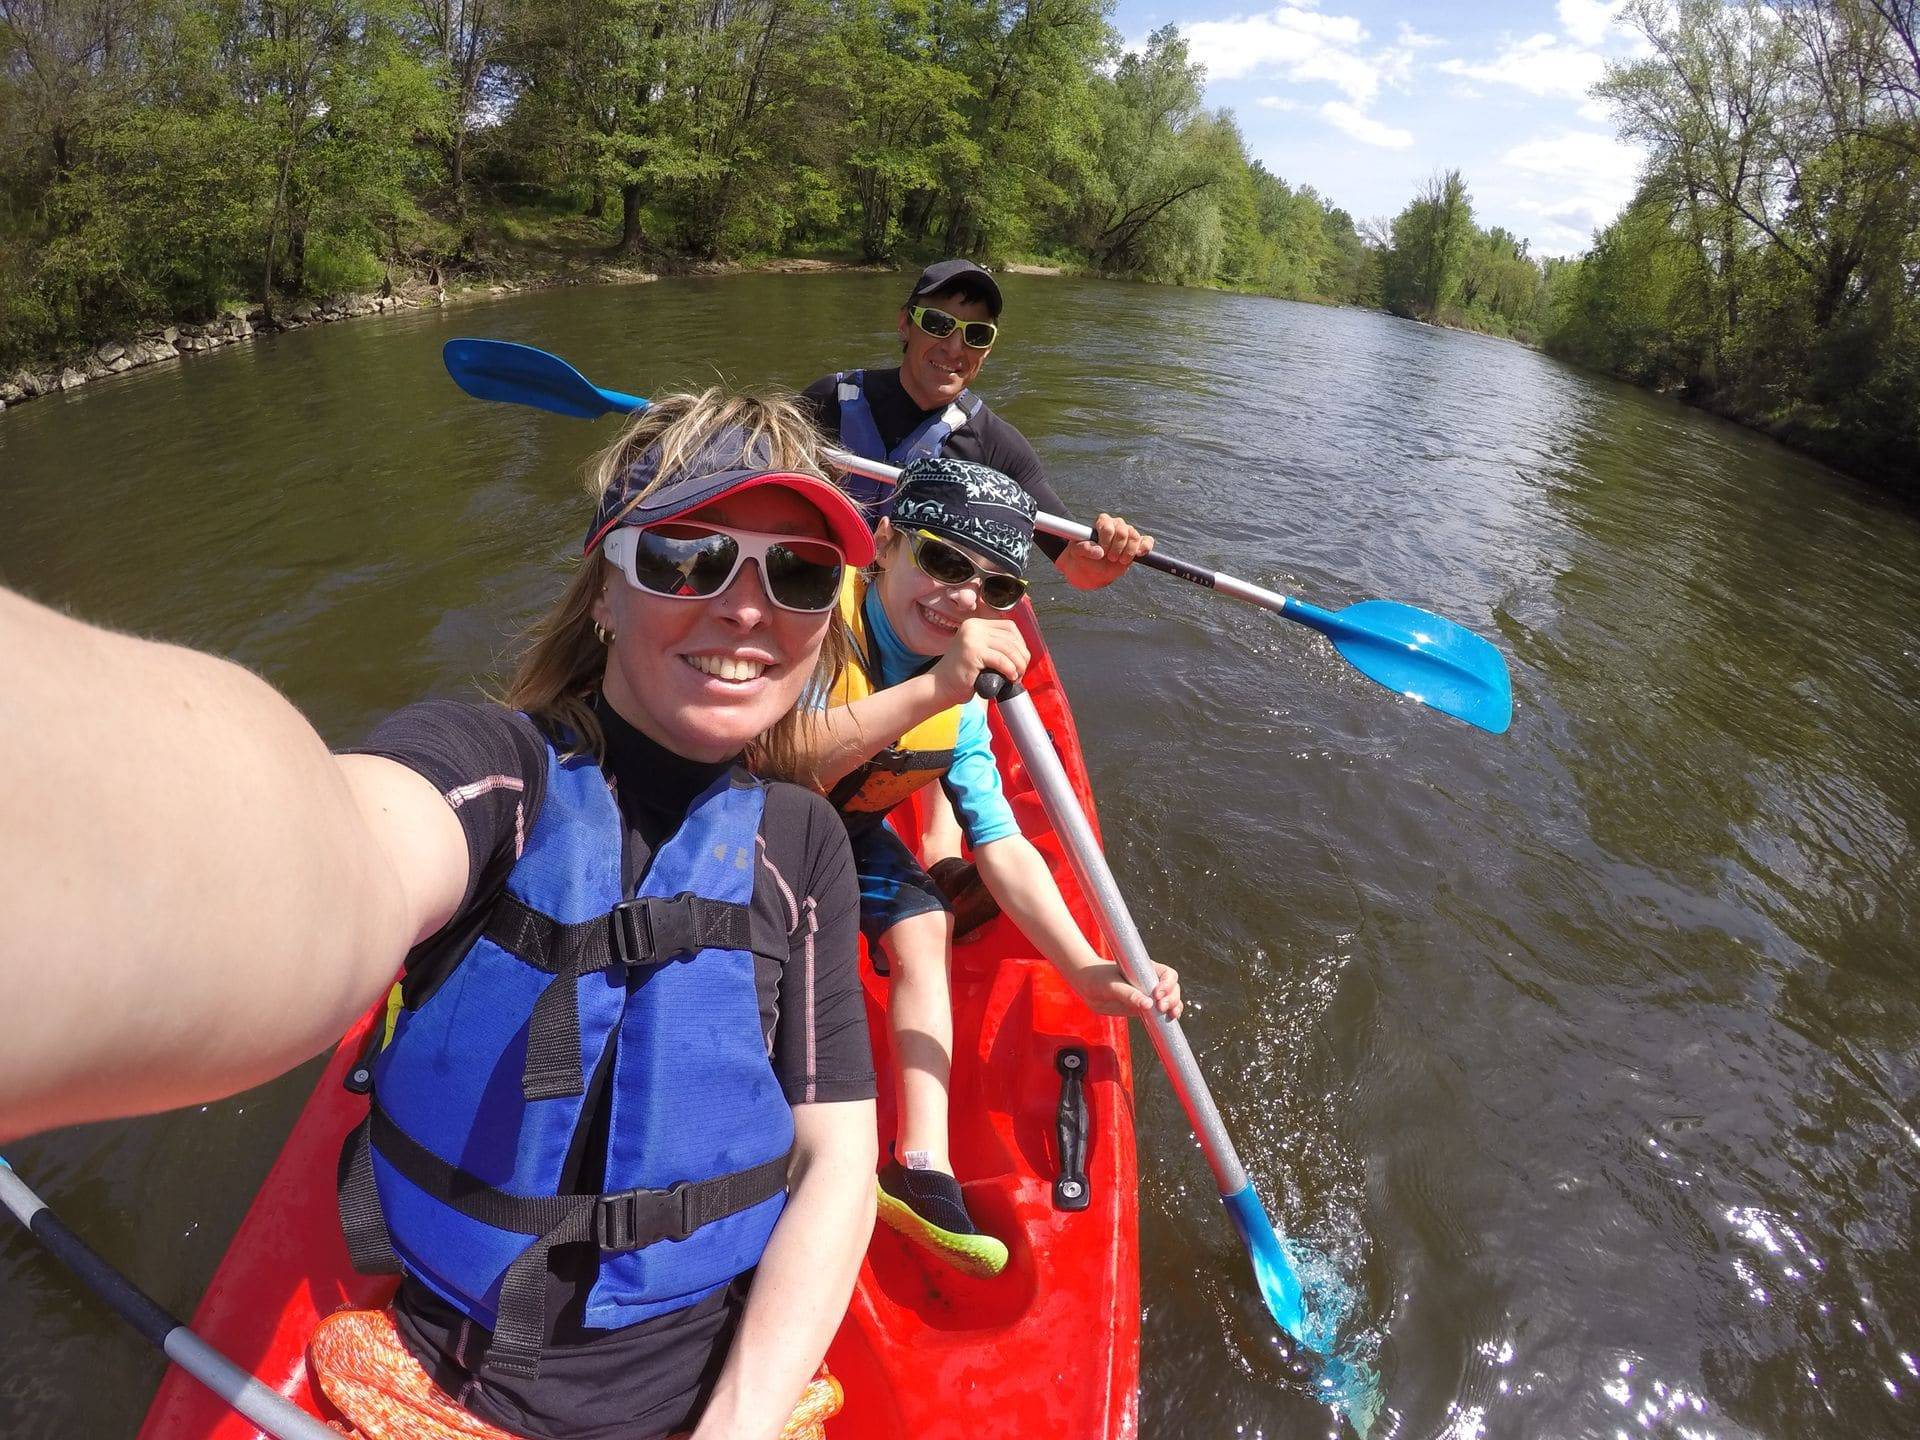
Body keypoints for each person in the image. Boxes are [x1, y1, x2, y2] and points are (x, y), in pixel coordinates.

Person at [0, 392, 880, 1440]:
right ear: (606, 589)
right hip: (460, 1392)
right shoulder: (495, 773)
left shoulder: (804, 843)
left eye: (798, 572)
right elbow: (335, 852)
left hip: (715, 1402)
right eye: (688, 558)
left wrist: (734, 1426)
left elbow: (836, 1159)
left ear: (826, 618)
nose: (746, 611)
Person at [795, 456, 1183, 1278]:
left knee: (927, 920)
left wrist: (1082, 969)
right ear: (885, 542)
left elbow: (1002, 844)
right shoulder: (812, 618)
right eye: (942, 561)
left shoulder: (962, 695)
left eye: (997, 588)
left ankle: (921, 1165)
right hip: (744, 820)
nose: (964, 597)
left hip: (849, 829)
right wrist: (933, 688)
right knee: (787, 957)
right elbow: (779, 760)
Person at [799, 258, 1157, 929]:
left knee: (962, 616)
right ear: (905, 324)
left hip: (921, 606)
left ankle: (940, 846)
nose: (955, 346)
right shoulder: (829, 401)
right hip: (833, 601)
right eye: (939, 323)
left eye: (977, 335)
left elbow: (1078, 569)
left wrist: (1109, 548)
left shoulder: (997, 445)